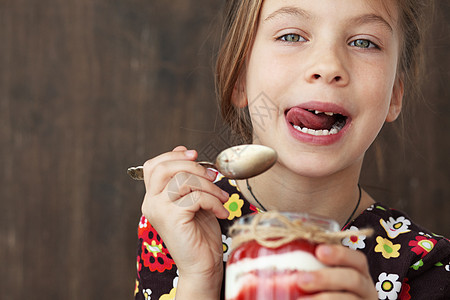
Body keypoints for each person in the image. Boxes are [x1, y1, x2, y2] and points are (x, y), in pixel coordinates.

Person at [134, 0, 450, 299]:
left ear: (394, 94)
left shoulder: (426, 266)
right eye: (291, 36)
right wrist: (199, 278)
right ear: (240, 78)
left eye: (364, 42)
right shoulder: (183, 222)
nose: (328, 66)